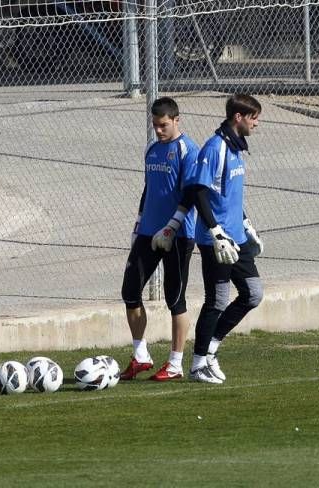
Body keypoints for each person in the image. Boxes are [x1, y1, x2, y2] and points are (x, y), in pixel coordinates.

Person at [152, 94, 264, 384]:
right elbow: (198, 191)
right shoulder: (215, 148)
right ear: (238, 117)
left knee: (253, 294)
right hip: (217, 241)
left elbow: (231, 195)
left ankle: (211, 349)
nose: (257, 123)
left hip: (236, 237)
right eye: (253, 117)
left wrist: (247, 226)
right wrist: (215, 232)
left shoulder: (236, 148)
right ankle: (198, 363)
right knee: (218, 300)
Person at [120, 96, 199, 381]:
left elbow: (191, 194)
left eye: (163, 125)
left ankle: (175, 364)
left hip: (177, 235)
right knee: (130, 291)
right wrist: (139, 224)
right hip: (147, 232)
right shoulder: (152, 150)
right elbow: (148, 189)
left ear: (177, 120)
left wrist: (172, 226)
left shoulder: (188, 150)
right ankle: (140, 355)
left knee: (174, 298)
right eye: (155, 125)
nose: (159, 130)